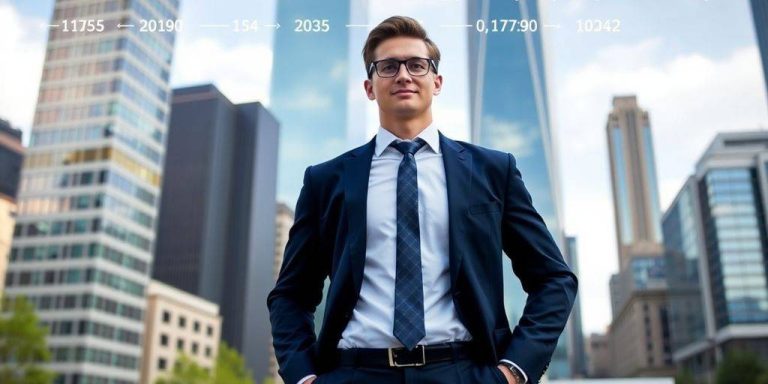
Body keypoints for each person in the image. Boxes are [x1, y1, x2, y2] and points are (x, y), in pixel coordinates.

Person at [268, 15, 577, 384]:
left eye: (417, 65)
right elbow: (291, 295)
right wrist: (303, 377)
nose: (403, 75)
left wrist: (513, 372)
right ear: (369, 87)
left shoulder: (494, 171)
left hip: (464, 372)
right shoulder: (325, 180)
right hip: (354, 372)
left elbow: (554, 279)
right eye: (388, 66)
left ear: (437, 81)